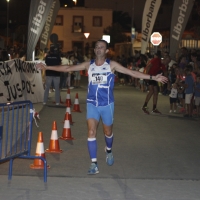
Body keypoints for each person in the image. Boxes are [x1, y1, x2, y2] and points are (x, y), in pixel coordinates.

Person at [36, 39, 167, 175]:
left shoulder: (112, 65)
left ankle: (109, 150)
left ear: (106, 51)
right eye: (97, 47)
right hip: (92, 103)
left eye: (102, 47)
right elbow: (68, 68)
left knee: (108, 132)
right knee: (91, 132)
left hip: (107, 104)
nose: (99, 49)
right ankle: (94, 163)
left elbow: (132, 73)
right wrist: (47, 67)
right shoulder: (89, 65)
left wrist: (153, 77)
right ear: (94, 50)